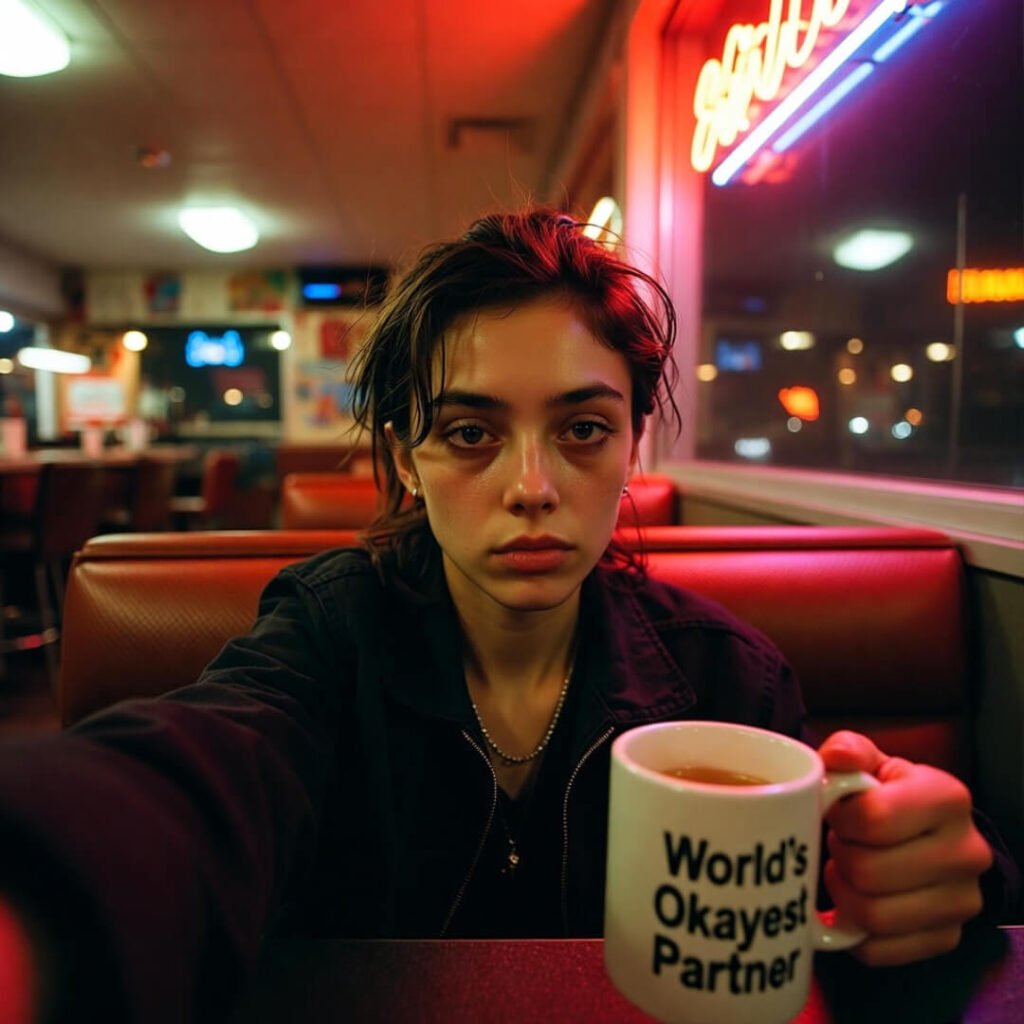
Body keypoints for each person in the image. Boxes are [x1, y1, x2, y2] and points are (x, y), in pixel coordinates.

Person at [0, 208, 1018, 1023]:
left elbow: (873, 895)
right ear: (405, 458)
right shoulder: (325, 635)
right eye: (470, 431)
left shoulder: (725, 675)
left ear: (630, 446)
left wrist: (926, 879)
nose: (532, 486)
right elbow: (204, 768)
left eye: (581, 428)